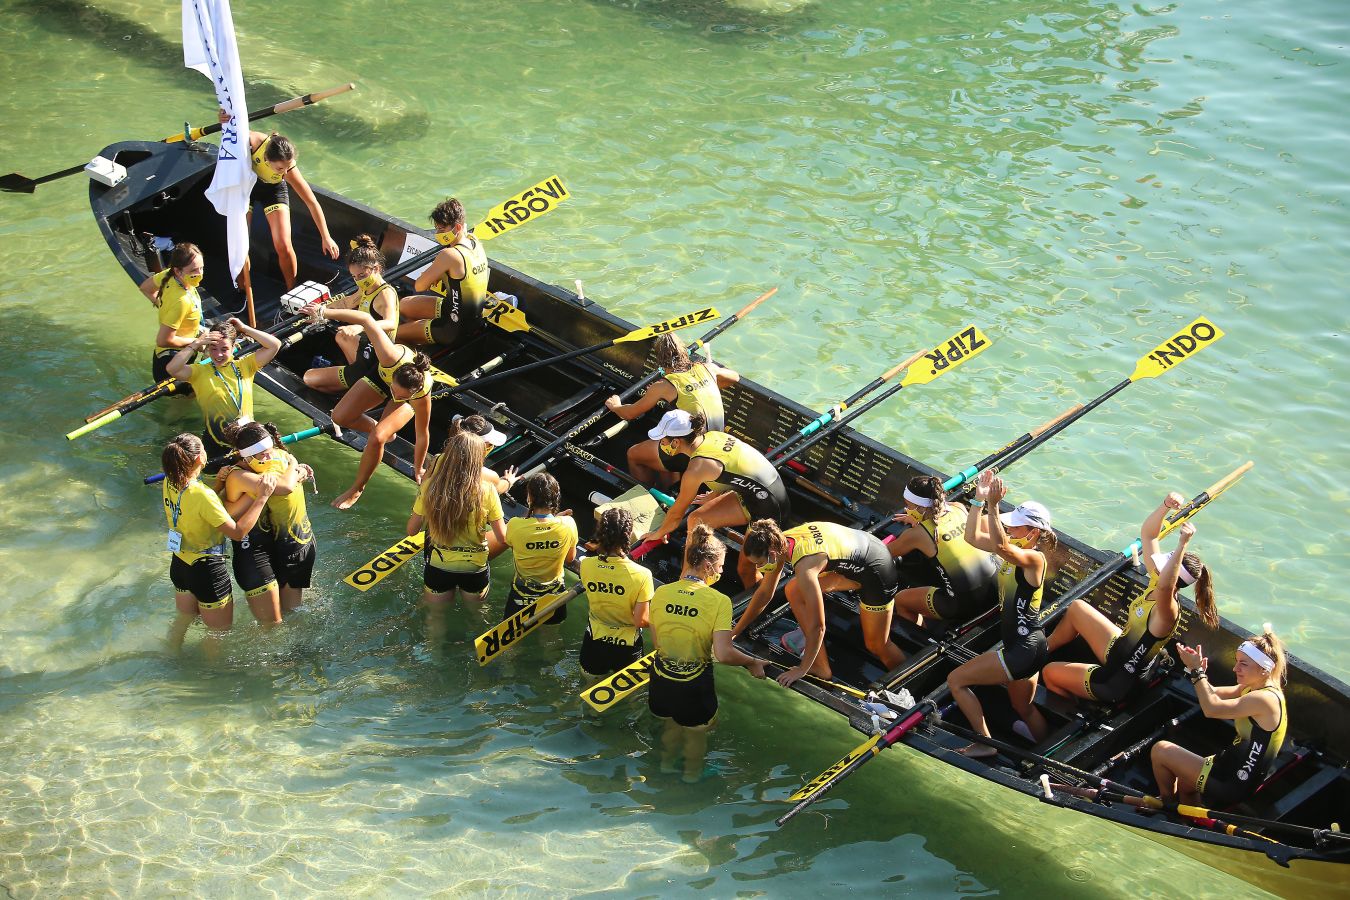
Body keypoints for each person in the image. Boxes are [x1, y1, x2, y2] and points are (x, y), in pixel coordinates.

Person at [1042, 495, 1219, 704]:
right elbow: (1149, 535)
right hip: (1119, 651)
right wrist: (1164, 506)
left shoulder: (1167, 610)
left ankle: (1075, 708)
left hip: (1117, 681)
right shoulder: (1158, 578)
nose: (1156, 568)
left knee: (1049, 673)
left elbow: (1165, 585)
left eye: (1165, 567)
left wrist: (1181, 545)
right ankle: (1039, 650)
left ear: (1172, 578)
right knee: (1077, 609)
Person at [945, 472, 1056, 754]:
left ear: (1034, 533)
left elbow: (1002, 547)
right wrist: (977, 501)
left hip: (1023, 648)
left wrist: (994, 507)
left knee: (956, 681)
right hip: (1030, 645)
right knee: (1024, 708)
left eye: (1016, 528)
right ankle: (1045, 757)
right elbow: (971, 536)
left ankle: (985, 744)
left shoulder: (1034, 558)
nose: (1010, 530)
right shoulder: (1015, 549)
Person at [648, 525, 766, 782]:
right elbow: (723, 654)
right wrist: (752, 661)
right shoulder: (718, 601)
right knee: (696, 734)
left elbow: (658, 643)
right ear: (708, 565)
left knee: (670, 726)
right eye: (722, 566)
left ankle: (666, 768)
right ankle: (691, 778)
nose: (723, 571)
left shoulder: (660, 593)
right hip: (693, 686)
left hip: (660, 681)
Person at [735, 518, 903, 685]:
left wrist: (802, 669)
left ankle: (905, 680)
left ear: (771, 554)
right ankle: (821, 667)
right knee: (793, 590)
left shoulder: (805, 566)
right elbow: (764, 593)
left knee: (877, 644)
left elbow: (819, 626)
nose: (758, 569)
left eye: (759, 564)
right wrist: (735, 631)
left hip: (877, 573)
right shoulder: (780, 541)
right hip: (862, 554)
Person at [639, 410, 789, 589]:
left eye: (662, 440)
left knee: (744, 569)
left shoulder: (696, 469)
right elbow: (729, 468)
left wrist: (659, 532)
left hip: (769, 506)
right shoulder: (712, 436)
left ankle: (758, 604)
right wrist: (714, 493)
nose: (660, 444)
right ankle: (687, 579)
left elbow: (676, 514)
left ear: (676, 442)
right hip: (755, 491)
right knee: (696, 520)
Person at [300, 308, 433, 509]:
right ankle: (383, 431)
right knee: (339, 417)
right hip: (382, 376)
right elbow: (365, 318)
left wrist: (418, 468)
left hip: (404, 392)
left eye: (401, 395)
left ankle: (357, 488)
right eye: (394, 392)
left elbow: (422, 434)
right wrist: (322, 312)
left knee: (378, 437)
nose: (394, 397)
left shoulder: (421, 396)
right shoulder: (390, 356)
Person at [159, 433, 275, 656]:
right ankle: (211, 676)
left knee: (184, 620)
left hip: (180, 564)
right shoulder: (202, 495)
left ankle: (170, 655)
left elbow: (199, 506)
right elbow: (238, 533)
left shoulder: (170, 481)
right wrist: (262, 497)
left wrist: (220, 482)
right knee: (218, 633)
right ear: (200, 459)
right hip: (207, 570)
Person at [1151, 628, 1288, 806]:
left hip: (1235, 781)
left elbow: (1211, 709)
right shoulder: (1251, 687)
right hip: (1229, 762)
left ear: (1265, 669)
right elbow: (1211, 694)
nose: (1235, 668)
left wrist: (1196, 671)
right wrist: (1199, 673)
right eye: (1237, 661)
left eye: (1243, 664)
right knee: (1186, 783)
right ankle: (1186, 817)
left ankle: (1166, 805)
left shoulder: (1264, 699)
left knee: (1161, 750)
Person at [407, 427, 508, 646]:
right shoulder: (488, 490)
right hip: (475, 569)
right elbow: (502, 538)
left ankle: (433, 657)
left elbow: (412, 531)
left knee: (435, 620)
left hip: (438, 567)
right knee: (477, 618)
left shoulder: (430, 487)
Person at [222, 109, 339, 288]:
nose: (285, 173)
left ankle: (291, 290)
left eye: (288, 168)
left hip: (273, 191)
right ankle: (243, 290)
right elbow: (230, 129)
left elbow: (311, 202)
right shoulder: (251, 142)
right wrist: (224, 120)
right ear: (267, 160)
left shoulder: (289, 170)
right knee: (242, 245)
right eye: (279, 169)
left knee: (283, 245)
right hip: (246, 190)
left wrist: (326, 236)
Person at [603, 333, 739, 485]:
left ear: (660, 360)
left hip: (692, 452)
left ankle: (647, 494)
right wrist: (708, 384)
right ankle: (669, 487)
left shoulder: (663, 386)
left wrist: (616, 406)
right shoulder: (708, 367)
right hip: (716, 442)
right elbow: (735, 377)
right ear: (685, 353)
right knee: (668, 439)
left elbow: (630, 413)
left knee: (634, 454)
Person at [217, 421, 316, 625]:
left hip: (289, 543)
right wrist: (294, 465)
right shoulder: (237, 476)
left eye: (271, 451)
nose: (270, 457)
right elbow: (285, 487)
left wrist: (296, 467)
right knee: (273, 624)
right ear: (247, 456)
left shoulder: (278, 458)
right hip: (252, 551)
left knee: (292, 614)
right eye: (263, 455)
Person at [888, 474, 998, 627]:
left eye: (909, 506)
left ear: (920, 507)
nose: (907, 510)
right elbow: (938, 523)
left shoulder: (916, 535)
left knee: (901, 600)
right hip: (997, 590)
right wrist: (918, 520)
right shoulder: (958, 508)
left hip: (963, 605)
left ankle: (922, 636)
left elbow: (881, 553)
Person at [167, 318, 283, 463]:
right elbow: (172, 368)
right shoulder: (198, 372)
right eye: (213, 349)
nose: (218, 355)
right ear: (207, 348)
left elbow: (275, 345)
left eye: (224, 349)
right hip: (216, 443)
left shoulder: (245, 365)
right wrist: (196, 343)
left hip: (248, 439)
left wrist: (244, 328)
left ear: (234, 347)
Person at [396, 199, 489, 347]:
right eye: (436, 229)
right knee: (404, 305)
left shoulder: (449, 255)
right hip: (467, 315)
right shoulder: (475, 241)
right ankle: (417, 330)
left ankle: (415, 345)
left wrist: (436, 274)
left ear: (457, 227)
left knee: (393, 334)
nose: (438, 234)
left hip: (452, 329)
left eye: (442, 230)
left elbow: (420, 286)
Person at [579, 508, 654, 679]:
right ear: (628, 535)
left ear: (601, 533)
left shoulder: (586, 565)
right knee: (630, 699)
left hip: (594, 643)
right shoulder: (643, 575)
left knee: (587, 692)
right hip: (627, 648)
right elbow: (641, 621)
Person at [503, 473, 578, 626]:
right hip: (554, 596)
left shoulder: (515, 525)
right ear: (556, 498)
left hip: (521, 595)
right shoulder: (568, 524)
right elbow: (570, 559)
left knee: (512, 648)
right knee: (550, 641)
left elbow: (515, 545)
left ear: (529, 497)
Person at [322, 235, 400, 364]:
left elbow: (390, 323)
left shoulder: (385, 294)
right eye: (354, 277)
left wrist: (360, 327)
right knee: (341, 336)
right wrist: (323, 308)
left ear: (376, 269)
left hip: (380, 350)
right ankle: (357, 367)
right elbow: (348, 302)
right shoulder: (365, 287)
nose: (358, 281)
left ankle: (360, 370)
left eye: (362, 275)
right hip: (367, 340)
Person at [140, 242, 204, 387]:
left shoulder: (168, 275)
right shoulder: (181, 302)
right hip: (172, 364)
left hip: (173, 357)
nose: (199, 273)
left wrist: (163, 307)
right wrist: (197, 342)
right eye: (194, 270)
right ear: (178, 271)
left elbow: (145, 288)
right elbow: (163, 340)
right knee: (182, 404)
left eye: (201, 268)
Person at [453, 414, 520, 495]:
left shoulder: (439, 458)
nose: (492, 447)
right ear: (478, 446)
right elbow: (500, 487)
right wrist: (509, 480)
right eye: (490, 445)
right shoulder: (487, 475)